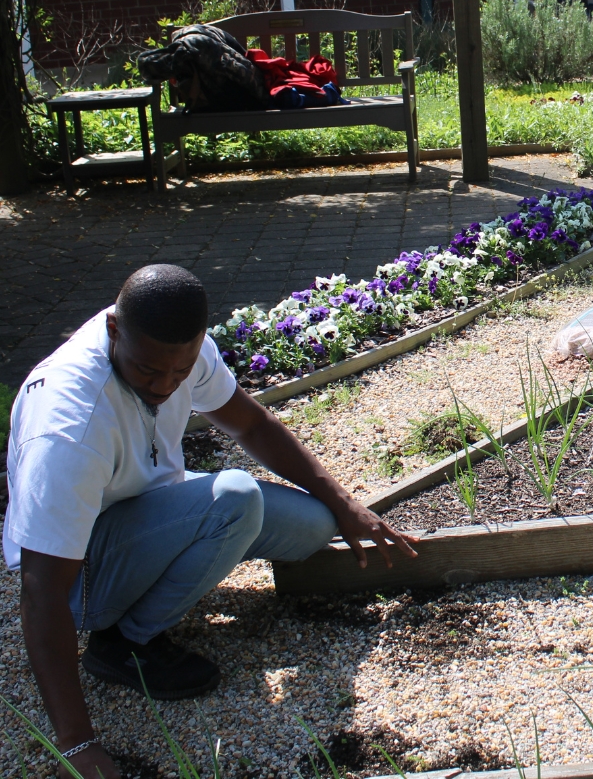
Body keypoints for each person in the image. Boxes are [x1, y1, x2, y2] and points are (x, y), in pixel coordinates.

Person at [5, 265, 417, 779]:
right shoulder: (69, 428)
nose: (165, 385)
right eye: (149, 372)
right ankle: (123, 643)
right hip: (81, 577)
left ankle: (170, 569)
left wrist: (344, 502)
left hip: (143, 503)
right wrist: (75, 744)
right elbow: (42, 590)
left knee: (314, 524)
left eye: (180, 373)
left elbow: (251, 423)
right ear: (114, 330)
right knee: (237, 498)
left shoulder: (174, 349)